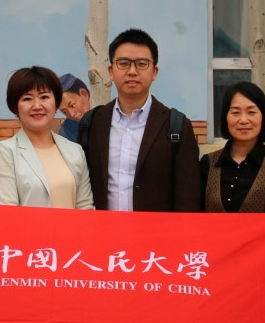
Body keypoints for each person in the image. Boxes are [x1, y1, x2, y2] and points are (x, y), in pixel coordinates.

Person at [79, 29, 200, 212]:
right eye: (123, 63)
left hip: (156, 230)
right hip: (103, 229)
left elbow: (188, 199)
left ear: (154, 72)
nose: (132, 71)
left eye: (142, 64)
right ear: (111, 71)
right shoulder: (92, 123)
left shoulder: (177, 126)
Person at [0, 66, 94, 209]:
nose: (37, 106)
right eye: (27, 99)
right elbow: (7, 214)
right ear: (15, 107)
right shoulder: (4, 153)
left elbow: (85, 206)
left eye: (44, 97)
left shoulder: (75, 150)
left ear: (55, 104)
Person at [199, 81, 265, 213]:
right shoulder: (207, 164)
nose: (243, 120)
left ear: (263, 118)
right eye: (235, 112)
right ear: (225, 117)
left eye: (251, 112)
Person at [57, 72, 91, 141]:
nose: (71, 114)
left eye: (72, 105)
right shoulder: (67, 130)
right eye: (65, 112)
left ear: (84, 94)